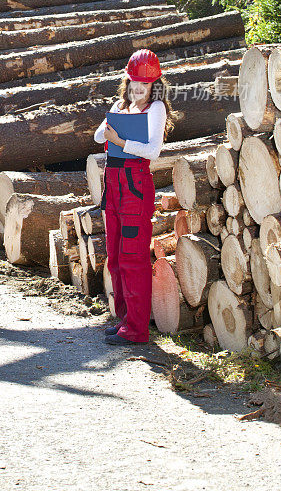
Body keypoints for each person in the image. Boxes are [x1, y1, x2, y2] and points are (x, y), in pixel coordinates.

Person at [93, 49, 178, 346]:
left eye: (144, 83)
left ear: (155, 84)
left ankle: (138, 329)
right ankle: (125, 320)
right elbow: (97, 138)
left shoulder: (156, 109)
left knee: (133, 257)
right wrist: (115, 119)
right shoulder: (121, 104)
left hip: (135, 185)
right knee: (115, 256)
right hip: (113, 184)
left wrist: (121, 140)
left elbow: (153, 151)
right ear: (127, 82)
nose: (138, 88)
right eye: (133, 83)